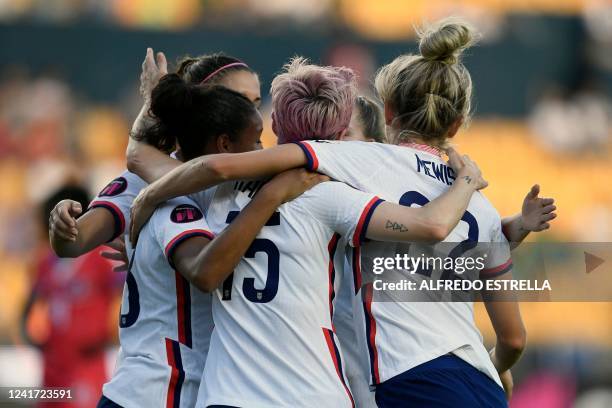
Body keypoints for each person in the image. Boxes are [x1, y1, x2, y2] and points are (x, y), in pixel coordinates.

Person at [129, 20, 556, 408]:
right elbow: (509, 332)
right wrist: (481, 197)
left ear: (387, 111)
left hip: (391, 376)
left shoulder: (345, 167)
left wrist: (148, 198)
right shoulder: (473, 204)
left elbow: (188, 165)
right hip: (453, 383)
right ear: (458, 123)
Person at [96, 75, 326, 408]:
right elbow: (205, 272)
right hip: (161, 390)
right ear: (224, 146)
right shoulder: (180, 208)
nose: (263, 153)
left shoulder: (194, 196)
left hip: (144, 385)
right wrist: (272, 196)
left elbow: (140, 156)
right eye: (257, 141)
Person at [49, 49, 261, 259]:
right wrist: (61, 225)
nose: (255, 116)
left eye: (256, 104)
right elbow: (73, 243)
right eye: (241, 101)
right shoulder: (142, 180)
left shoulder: (264, 175)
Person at [22, 185, 118, 408]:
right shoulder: (45, 262)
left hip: (88, 366)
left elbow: (122, 297)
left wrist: (106, 335)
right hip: (53, 368)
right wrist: (34, 339)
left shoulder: (103, 257)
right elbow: (31, 305)